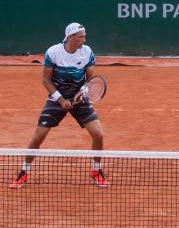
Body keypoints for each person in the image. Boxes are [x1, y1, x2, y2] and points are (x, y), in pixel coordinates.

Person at [9, 22, 109, 189]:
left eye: (84, 36)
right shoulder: (54, 52)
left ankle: (96, 170)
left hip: (79, 97)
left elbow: (90, 81)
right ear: (70, 37)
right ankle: (23, 171)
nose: (84, 40)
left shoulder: (87, 52)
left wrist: (80, 94)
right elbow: (45, 80)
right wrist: (61, 100)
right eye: (81, 37)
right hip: (57, 97)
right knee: (38, 136)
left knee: (98, 134)